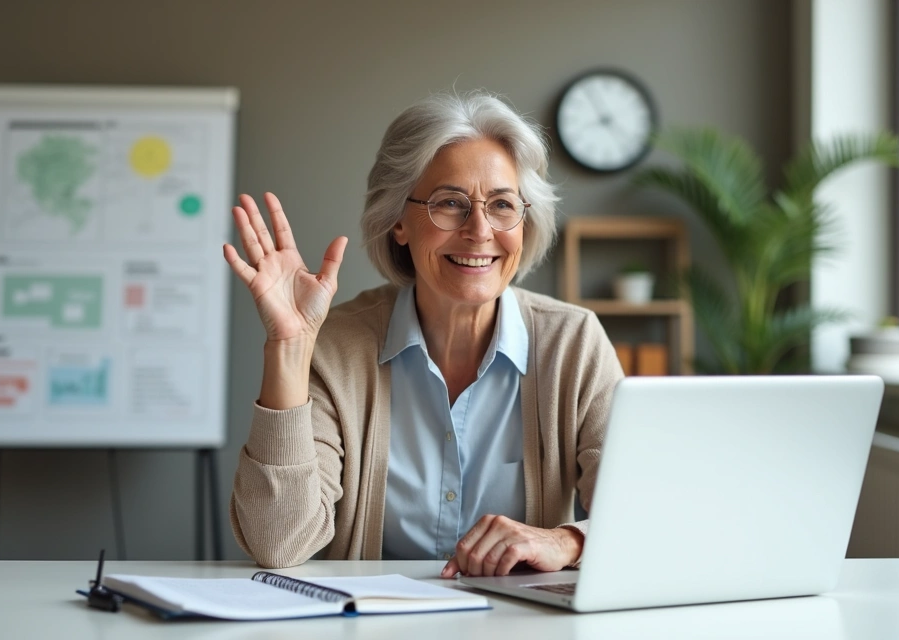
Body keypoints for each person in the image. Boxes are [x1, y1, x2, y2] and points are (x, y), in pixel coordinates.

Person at [224, 91, 623, 578]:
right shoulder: (334, 346)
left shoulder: (574, 343)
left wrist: (567, 540)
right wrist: (289, 347)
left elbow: (645, 515)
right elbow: (278, 543)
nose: (480, 230)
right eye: (450, 203)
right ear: (398, 222)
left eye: (502, 204)